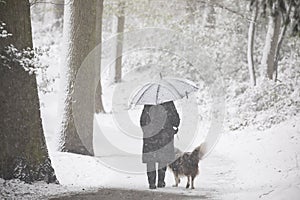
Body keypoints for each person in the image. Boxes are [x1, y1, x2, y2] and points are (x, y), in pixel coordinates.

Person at [140, 101, 180, 189]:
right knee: (163, 159)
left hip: (150, 137)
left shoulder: (148, 105)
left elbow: (142, 121)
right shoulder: (169, 103)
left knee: (151, 160)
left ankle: (151, 182)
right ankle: (161, 181)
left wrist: (147, 131)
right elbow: (176, 121)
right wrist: (173, 129)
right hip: (164, 136)